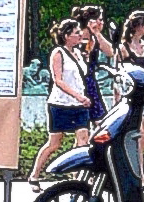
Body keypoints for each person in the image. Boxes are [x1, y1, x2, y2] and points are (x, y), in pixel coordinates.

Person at [28, 20, 97, 183]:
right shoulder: (58, 53)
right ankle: (34, 175)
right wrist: (77, 96)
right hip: (60, 104)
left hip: (79, 105)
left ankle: (78, 176)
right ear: (66, 36)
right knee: (54, 143)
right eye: (76, 32)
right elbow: (58, 80)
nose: (80, 35)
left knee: (83, 139)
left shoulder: (78, 53)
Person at [116, 10, 144, 189]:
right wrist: (118, 101)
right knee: (137, 135)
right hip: (130, 98)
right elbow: (119, 77)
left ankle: (133, 171)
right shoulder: (123, 48)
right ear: (137, 26)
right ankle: (139, 177)